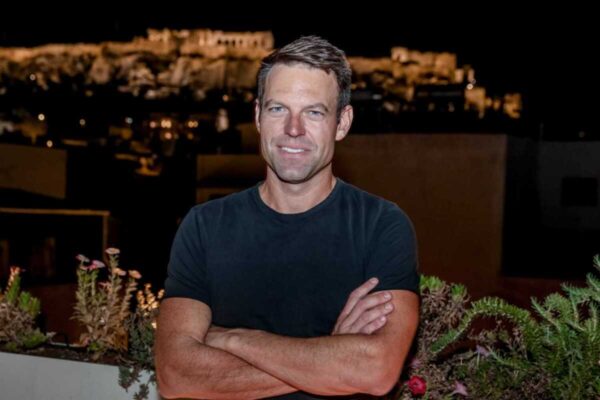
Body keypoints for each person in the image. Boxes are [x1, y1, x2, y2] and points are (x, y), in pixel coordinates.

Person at [155, 36, 420, 399]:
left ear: (342, 123)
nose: (293, 129)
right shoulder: (204, 226)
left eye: (314, 112)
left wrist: (233, 338)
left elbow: (375, 371)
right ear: (258, 116)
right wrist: (331, 354)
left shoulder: (381, 226)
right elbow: (175, 374)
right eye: (278, 108)